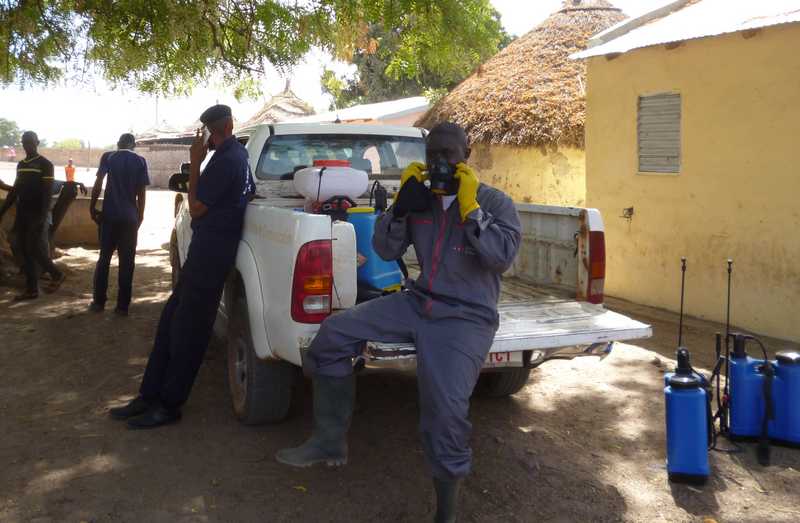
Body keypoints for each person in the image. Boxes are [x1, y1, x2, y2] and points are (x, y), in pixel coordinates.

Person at [276, 122, 522, 522]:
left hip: (465, 316)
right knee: (333, 334)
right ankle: (329, 440)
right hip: (417, 302)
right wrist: (399, 208)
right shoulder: (420, 200)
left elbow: (501, 258)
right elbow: (385, 248)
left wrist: (471, 210)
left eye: (448, 154)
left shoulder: (494, 203)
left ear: (467, 155)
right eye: (433, 155)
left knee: (444, 412)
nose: (440, 163)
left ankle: (446, 512)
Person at [109, 105, 254, 429]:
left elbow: (197, 208)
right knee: (170, 323)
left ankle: (169, 405)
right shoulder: (237, 157)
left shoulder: (228, 159)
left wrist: (195, 164)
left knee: (188, 332)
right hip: (205, 253)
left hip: (212, 255)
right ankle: (149, 396)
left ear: (219, 129)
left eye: (209, 132)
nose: (206, 138)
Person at [88, 133, 149, 315]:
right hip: (129, 218)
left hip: (109, 217)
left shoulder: (108, 157)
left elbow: (98, 182)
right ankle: (122, 307)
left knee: (104, 259)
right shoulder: (140, 161)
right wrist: (140, 215)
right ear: (133, 145)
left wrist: (92, 207)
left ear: (117, 144)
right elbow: (141, 191)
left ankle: (98, 302)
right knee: (127, 262)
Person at [0, 131, 65, 300]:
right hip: (22, 212)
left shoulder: (45, 164)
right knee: (25, 248)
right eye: (24, 142)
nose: (27, 144)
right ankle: (35, 287)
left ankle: (52, 276)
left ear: (37, 142)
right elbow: (16, 190)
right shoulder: (21, 164)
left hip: (37, 213)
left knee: (31, 248)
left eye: (30, 141)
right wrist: (2, 211)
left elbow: (47, 193)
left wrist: (42, 216)